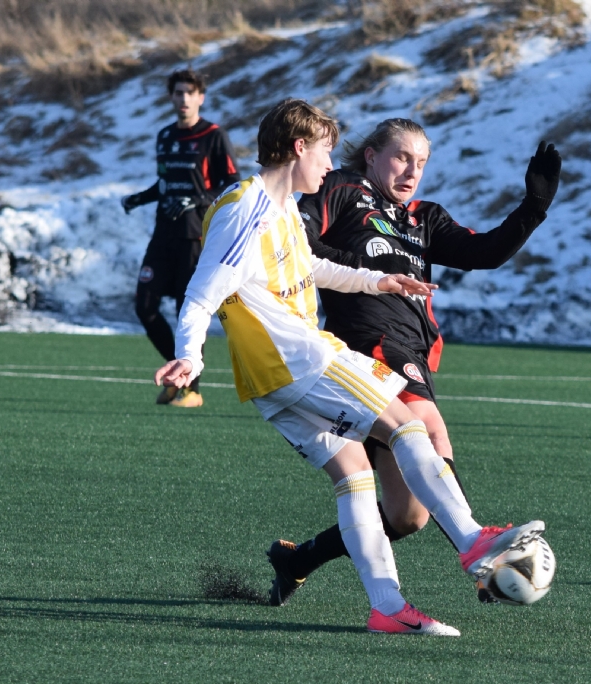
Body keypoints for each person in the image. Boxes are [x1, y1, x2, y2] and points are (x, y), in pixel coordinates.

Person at [154, 99, 545, 636]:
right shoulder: (248, 208)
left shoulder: (280, 205)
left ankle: (388, 608)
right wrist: (190, 355)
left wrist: (378, 281)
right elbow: (202, 292)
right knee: (407, 425)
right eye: (324, 152)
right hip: (299, 357)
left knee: (355, 476)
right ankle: (473, 542)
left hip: (269, 381)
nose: (329, 164)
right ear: (299, 148)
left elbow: (311, 265)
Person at [265, 118, 561, 606]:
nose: (411, 171)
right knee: (429, 430)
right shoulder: (341, 189)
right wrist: (367, 271)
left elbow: (483, 252)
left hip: (413, 348)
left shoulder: (424, 218)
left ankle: (297, 561)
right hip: (367, 341)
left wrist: (534, 207)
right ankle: (482, 557)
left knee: (408, 516)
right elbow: (298, 243)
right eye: (402, 157)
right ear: (372, 155)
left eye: (421, 162)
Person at [122, 69, 240, 407]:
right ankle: (178, 372)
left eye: (190, 92)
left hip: (194, 236)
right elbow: (164, 184)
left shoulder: (214, 136)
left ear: (201, 97)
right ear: (171, 97)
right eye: (178, 92)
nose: (184, 98)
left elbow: (232, 183)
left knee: (184, 312)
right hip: (163, 235)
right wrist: (140, 198)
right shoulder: (164, 136)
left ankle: (192, 390)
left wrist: (197, 200)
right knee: (144, 306)